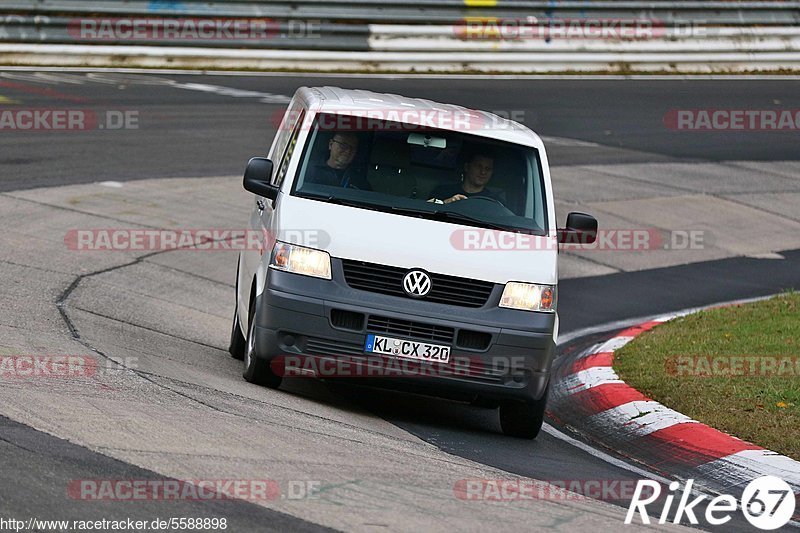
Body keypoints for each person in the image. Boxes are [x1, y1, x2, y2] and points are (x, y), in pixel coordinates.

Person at [429, 152, 505, 204]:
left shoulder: (495, 202)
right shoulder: (442, 191)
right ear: (467, 167)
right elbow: (428, 211)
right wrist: (446, 203)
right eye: (479, 166)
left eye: (488, 169)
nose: (483, 172)